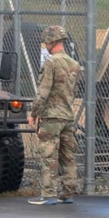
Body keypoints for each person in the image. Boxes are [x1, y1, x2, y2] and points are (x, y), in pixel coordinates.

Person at [28, 25, 82, 205]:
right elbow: (72, 91)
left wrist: (34, 114)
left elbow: (43, 92)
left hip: (51, 116)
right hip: (67, 115)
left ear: (51, 41)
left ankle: (49, 194)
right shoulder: (74, 65)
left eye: (46, 42)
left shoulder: (51, 63)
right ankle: (67, 193)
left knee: (49, 155)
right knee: (68, 155)